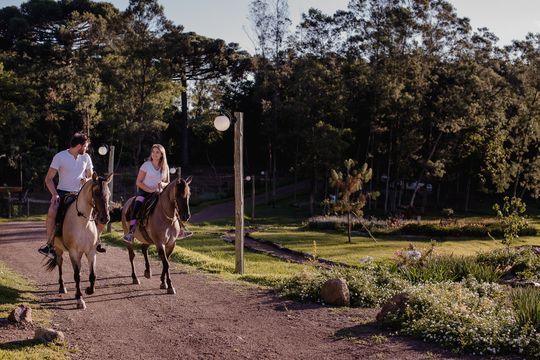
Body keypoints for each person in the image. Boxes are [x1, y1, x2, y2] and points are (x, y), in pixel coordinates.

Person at [38, 133, 107, 258]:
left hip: (82, 194)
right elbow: (48, 179)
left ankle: (96, 241)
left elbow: (91, 177)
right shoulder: (60, 157)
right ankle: (50, 246)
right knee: (52, 212)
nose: (86, 149)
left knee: (103, 211)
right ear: (79, 146)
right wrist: (54, 194)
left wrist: (85, 180)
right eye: (85, 146)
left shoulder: (86, 157)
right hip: (63, 193)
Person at [123, 144, 171, 243]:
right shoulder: (146, 165)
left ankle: (179, 229)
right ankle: (131, 232)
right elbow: (138, 182)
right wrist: (149, 190)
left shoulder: (165, 167)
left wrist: (162, 183)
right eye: (153, 152)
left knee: (173, 204)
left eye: (157, 152)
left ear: (162, 154)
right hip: (145, 192)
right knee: (137, 205)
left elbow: (168, 183)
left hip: (159, 193)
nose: (155, 154)